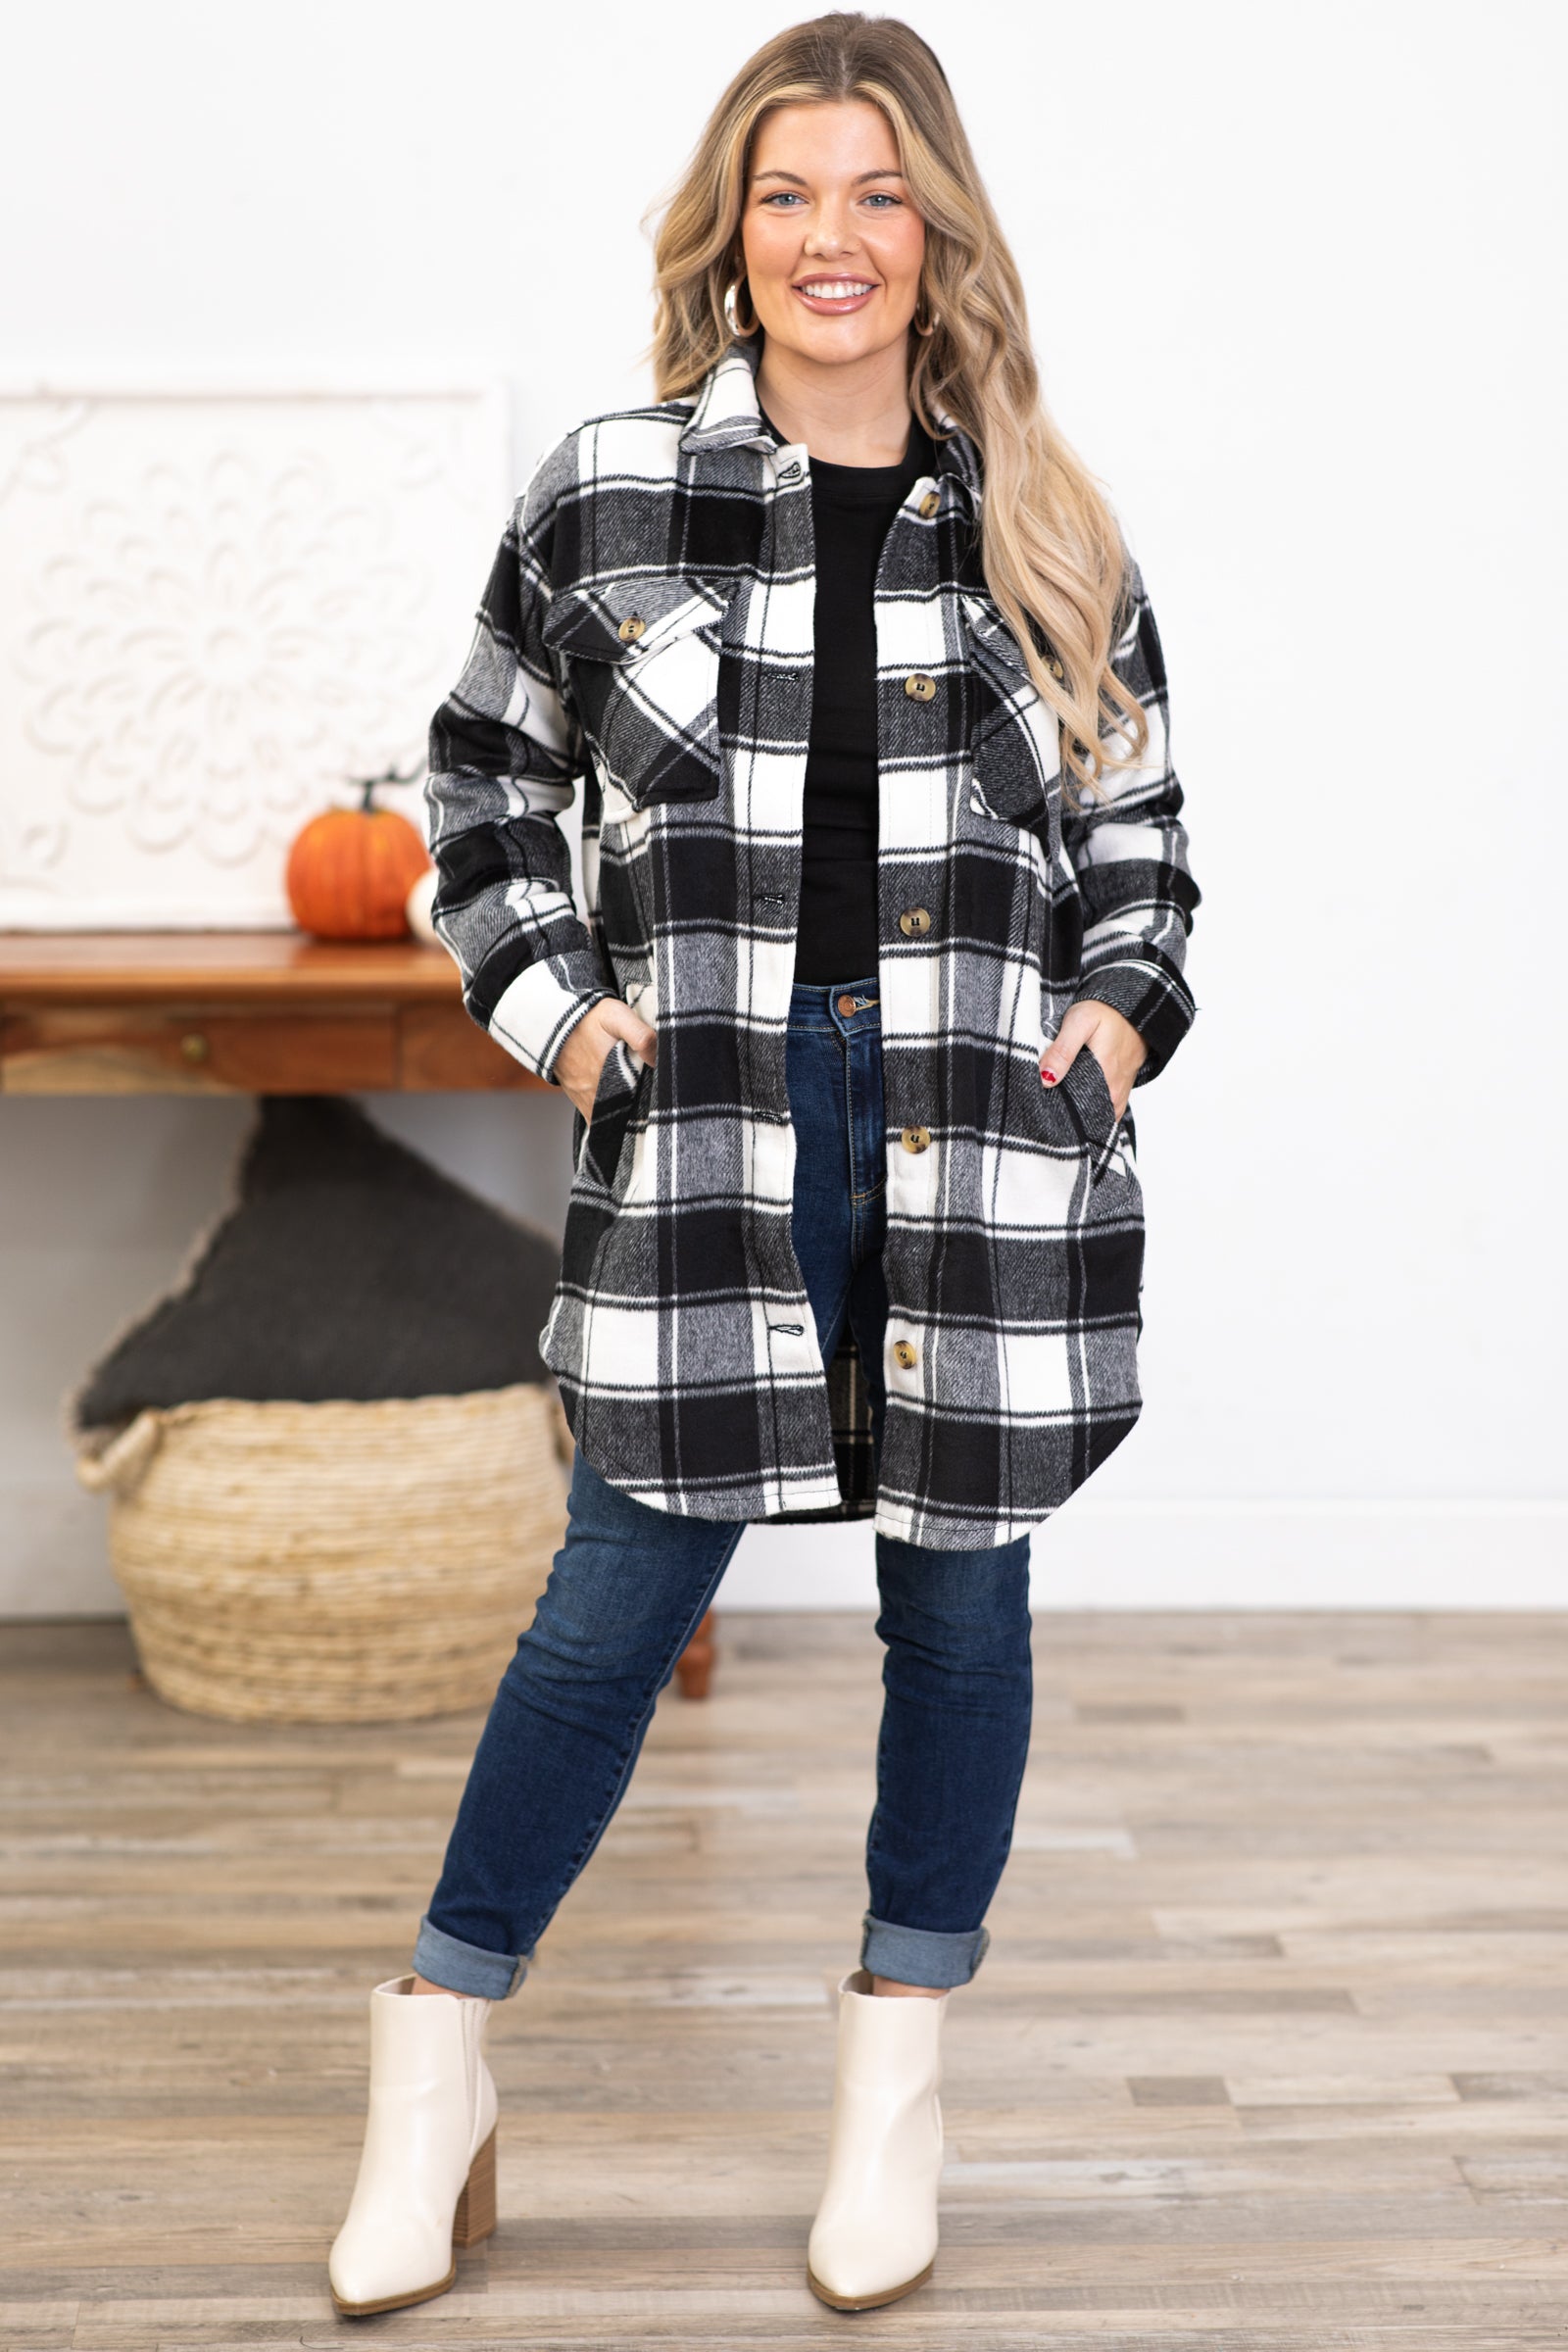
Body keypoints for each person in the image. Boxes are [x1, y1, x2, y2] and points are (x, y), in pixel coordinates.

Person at [327, 10, 1199, 2319]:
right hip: (708, 1117)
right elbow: (476, 794)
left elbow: (1135, 832)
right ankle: (433, 2061)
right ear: (728, 235)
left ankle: (893, 2081)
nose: (832, 239)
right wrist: (562, 1016)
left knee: (959, 1604)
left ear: (938, 236)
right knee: (615, 1600)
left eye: (877, 196)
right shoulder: (606, 495)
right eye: (788, 195)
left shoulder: (1043, 521)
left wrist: (1113, 1017)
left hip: (973, 1122)